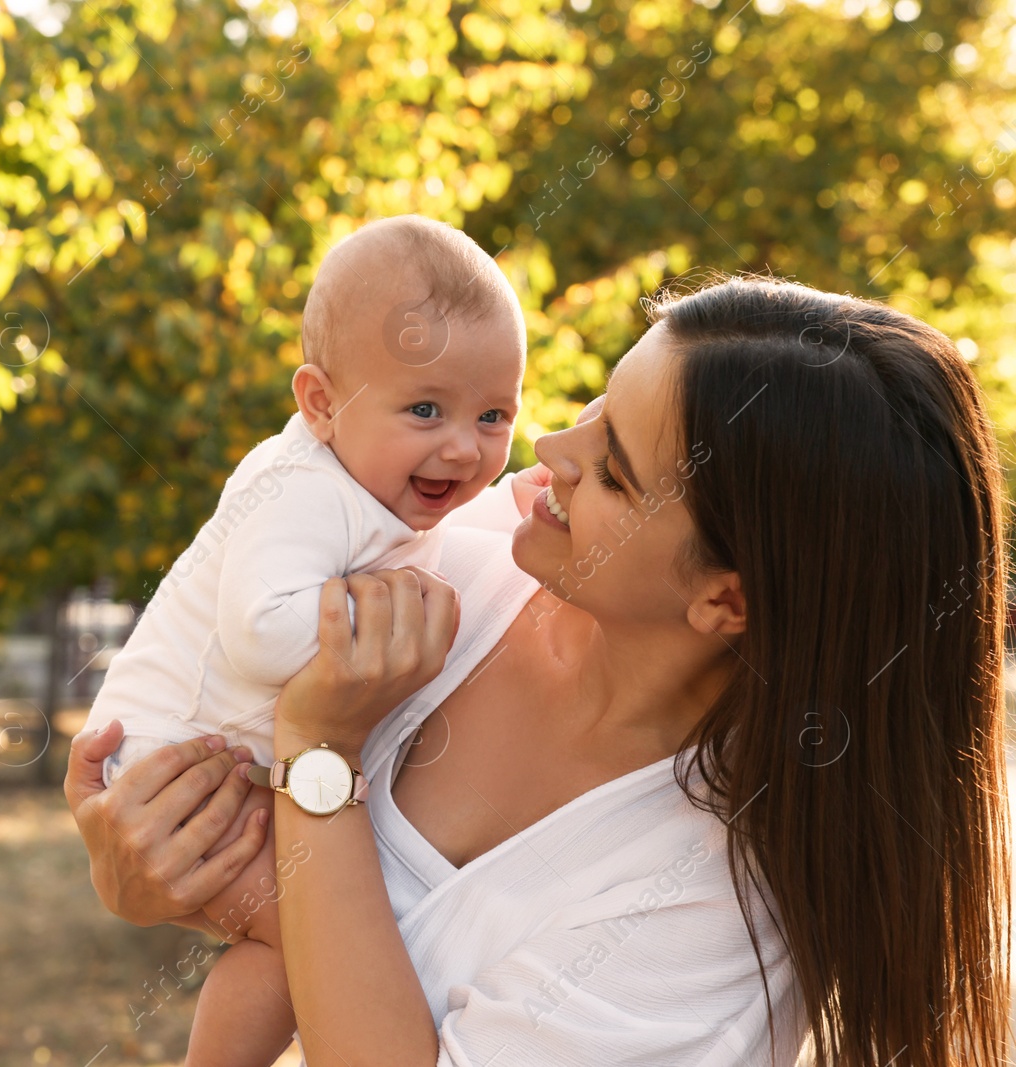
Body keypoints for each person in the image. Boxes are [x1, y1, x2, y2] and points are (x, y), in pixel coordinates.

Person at [66, 276, 1013, 1066]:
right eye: (594, 408)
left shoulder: (706, 912)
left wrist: (320, 754)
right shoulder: (460, 556)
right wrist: (146, 872)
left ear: (727, 599)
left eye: (614, 471)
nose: (549, 453)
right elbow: (268, 884)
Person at [79, 214, 529, 1066]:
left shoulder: (386, 488)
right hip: (168, 765)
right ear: (321, 404)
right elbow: (259, 633)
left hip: (235, 766)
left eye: (495, 413)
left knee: (309, 939)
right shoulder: (302, 491)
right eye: (426, 408)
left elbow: (484, 548)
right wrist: (386, 613)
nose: (465, 448)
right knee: (309, 946)